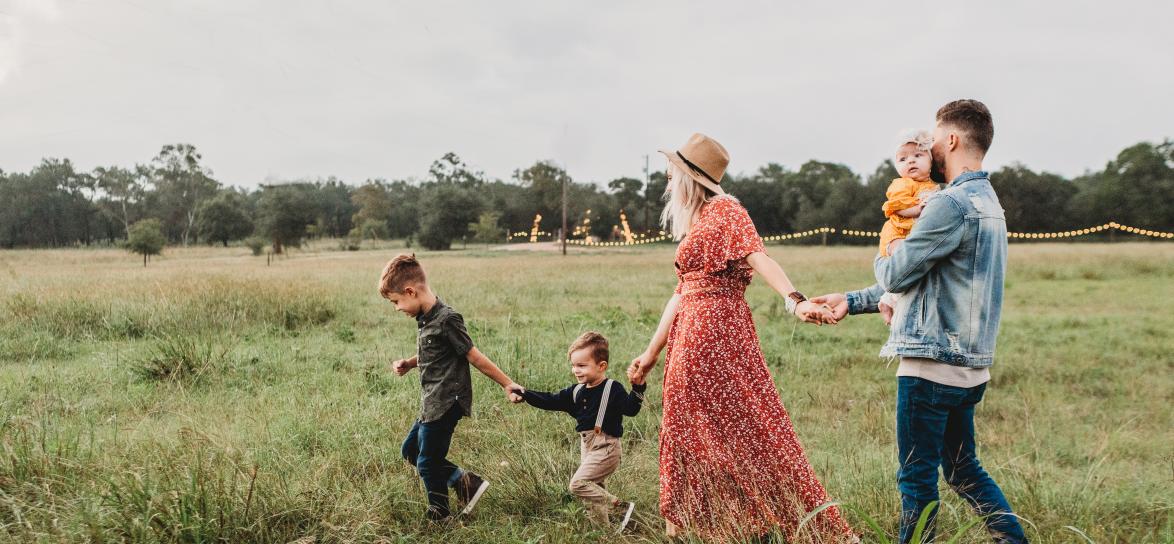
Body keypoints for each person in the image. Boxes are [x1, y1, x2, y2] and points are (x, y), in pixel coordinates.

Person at [812, 100, 1029, 543]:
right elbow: (927, 279)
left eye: (932, 138)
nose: (926, 147)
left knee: (915, 481)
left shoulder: (948, 204)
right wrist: (851, 301)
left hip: (929, 365)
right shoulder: (988, 202)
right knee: (963, 468)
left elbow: (896, 273)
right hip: (969, 366)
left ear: (950, 140)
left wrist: (886, 242)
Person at [627, 133, 855, 542]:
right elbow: (681, 292)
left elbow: (759, 256)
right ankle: (692, 526)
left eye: (671, 171)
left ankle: (758, 520)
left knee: (747, 426)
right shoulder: (700, 220)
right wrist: (650, 353)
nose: (666, 178)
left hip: (715, 334)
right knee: (690, 429)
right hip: (692, 334)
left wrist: (795, 300)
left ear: (689, 177)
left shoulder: (727, 211)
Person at [380, 253, 524, 521]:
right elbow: (434, 354)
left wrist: (508, 384)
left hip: (447, 401)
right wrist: (410, 363)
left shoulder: (447, 319)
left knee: (427, 461)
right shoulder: (425, 319)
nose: (397, 308)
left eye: (396, 301)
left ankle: (440, 515)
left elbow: (474, 356)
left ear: (410, 291)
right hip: (431, 401)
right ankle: (466, 483)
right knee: (410, 451)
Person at [510, 331, 644, 532]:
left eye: (581, 366)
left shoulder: (612, 388)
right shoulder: (576, 391)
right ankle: (602, 533)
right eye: (573, 365)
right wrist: (525, 393)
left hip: (607, 447)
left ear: (602, 366)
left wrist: (638, 388)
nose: (576, 370)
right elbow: (550, 400)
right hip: (587, 446)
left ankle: (620, 507)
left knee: (578, 484)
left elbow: (631, 409)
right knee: (592, 494)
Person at [877, 129, 941, 326]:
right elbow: (897, 207)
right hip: (897, 233)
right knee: (904, 261)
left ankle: (889, 301)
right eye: (903, 159)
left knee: (913, 269)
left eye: (918, 156)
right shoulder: (902, 184)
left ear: (931, 161)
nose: (911, 161)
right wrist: (918, 209)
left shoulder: (933, 186)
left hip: (912, 233)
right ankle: (890, 302)